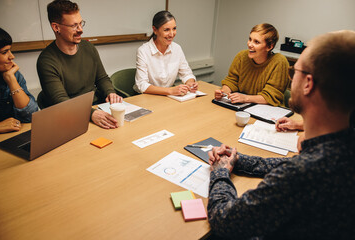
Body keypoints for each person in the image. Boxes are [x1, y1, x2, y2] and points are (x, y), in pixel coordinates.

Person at [207, 30, 355, 239]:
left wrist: (220, 172)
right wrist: (237, 159)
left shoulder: (303, 174)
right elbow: (293, 165)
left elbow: (225, 220)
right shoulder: (341, 148)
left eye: (294, 71)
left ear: (308, 84)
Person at [37, 0, 122, 129]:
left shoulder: (88, 47)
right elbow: (62, 102)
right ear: (56, 27)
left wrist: (110, 93)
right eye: (74, 26)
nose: (80, 30)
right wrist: (91, 114)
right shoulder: (46, 61)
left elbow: (102, 78)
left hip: (96, 108)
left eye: (81, 23)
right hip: (70, 115)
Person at [214, 23, 289, 106]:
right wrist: (223, 92)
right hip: (244, 107)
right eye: (250, 39)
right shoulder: (241, 56)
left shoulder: (279, 62)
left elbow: (271, 96)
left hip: (268, 111)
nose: (249, 44)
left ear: (269, 47)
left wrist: (245, 98)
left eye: (256, 42)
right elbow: (232, 81)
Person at [134, 10, 198, 96]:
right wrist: (170, 91)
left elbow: (187, 73)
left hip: (168, 97)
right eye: (166, 30)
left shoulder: (177, 48)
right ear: (155, 30)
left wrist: (190, 83)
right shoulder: (143, 51)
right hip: (147, 97)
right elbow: (142, 85)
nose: (171, 34)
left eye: (174, 29)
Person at [0, 25, 38, 134]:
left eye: (10, 51)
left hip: (11, 136)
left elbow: (30, 116)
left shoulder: (12, 73)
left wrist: (11, 79)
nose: (12, 56)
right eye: (4, 52)